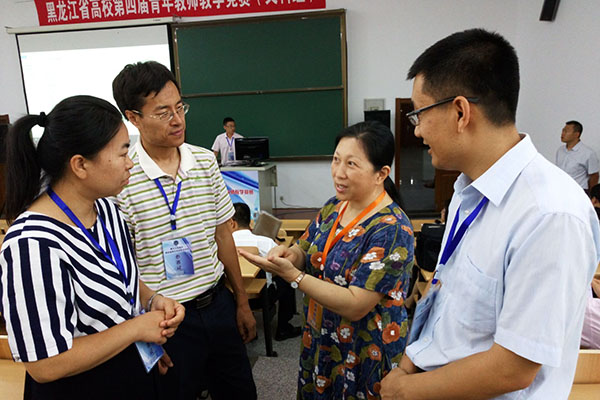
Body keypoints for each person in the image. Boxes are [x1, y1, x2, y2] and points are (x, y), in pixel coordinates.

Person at [379, 29, 600, 399]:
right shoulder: (468, 191)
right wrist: (409, 366)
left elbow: (514, 367)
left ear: (460, 112)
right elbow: (447, 300)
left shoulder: (549, 214)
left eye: (419, 114)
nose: (417, 131)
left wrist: (406, 390)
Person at [0, 95, 184, 399]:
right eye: (123, 152)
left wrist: (151, 300)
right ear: (80, 165)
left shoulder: (107, 210)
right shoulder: (32, 243)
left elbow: (114, 276)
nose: (130, 163)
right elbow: (44, 364)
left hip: (128, 368)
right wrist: (135, 330)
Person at [112, 61, 257, 400]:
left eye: (180, 108)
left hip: (217, 302)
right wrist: (145, 335)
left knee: (240, 392)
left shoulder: (205, 162)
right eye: (163, 113)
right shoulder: (123, 179)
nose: (178, 120)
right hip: (166, 321)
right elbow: (123, 268)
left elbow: (223, 236)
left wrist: (242, 301)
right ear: (133, 118)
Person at [240, 121, 414, 399]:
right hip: (323, 338)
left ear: (381, 174)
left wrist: (294, 276)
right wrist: (289, 255)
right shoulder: (335, 206)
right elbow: (305, 248)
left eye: (351, 164)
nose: (339, 172)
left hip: (362, 349)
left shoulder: (391, 228)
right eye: (336, 160)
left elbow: (356, 305)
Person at [230, 202, 301, 341]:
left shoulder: (221, 245)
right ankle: (283, 328)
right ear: (250, 221)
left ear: (232, 223)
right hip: (261, 298)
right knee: (286, 279)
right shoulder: (265, 242)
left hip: (231, 299)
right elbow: (284, 264)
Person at [555, 120, 599, 192]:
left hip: (578, 191)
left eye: (566, 131)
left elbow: (594, 176)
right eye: (563, 130)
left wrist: (591, 194)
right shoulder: (560, 150)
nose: (562, 134)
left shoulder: (588, 153)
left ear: (576, 134)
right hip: (560, 190)